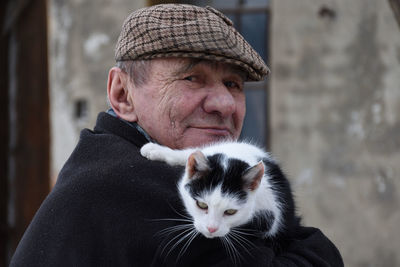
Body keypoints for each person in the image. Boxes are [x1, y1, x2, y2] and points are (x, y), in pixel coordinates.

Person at [10, 4, 343, 266]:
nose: (225, 104)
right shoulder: (141, 187)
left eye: (233, 84)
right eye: (192, 78)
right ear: (123, 95)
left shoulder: (105, 157)